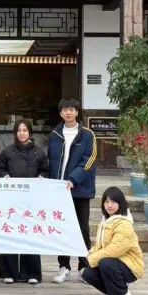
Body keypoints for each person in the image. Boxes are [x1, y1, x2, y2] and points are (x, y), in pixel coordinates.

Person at [47, 97, 97, 283]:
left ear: (77, 112)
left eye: (71, 109)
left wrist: (74, 179)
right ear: (60, 113)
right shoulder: (55, 134)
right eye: (64, 110)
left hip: (80, 190)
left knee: (82, 229)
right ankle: (64, 266)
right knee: (62, 229)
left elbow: (89, 160)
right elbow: (50, 160)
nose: (68, 113)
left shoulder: (87, 135)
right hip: (60, 191)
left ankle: (84, 267)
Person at [0, 119, 47, 285]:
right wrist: (4, 176)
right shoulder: (8, 151)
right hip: (11, 200)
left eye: (25, 130)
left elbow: (45, 170)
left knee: (30, 233)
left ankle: (31, 273)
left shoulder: (39, 152)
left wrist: (42, 177)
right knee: (9, 231)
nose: (22, 133)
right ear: (15, 133)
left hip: (31, 201)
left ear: (30, 133)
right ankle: (8, 272)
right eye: (19, 130)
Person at [82, 187, 144, 295]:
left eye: (113, 202)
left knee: (105, 263)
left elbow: (115, 250)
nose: (109, 205)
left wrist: (93, 258)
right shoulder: (106, 220)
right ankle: (118, 290)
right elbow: (100, 244)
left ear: (121, 204)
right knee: (88, 273)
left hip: (130, 265)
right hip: (115, 262)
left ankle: (121, 294)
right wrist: (91, 252)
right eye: (106, 202)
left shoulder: (124, 223)